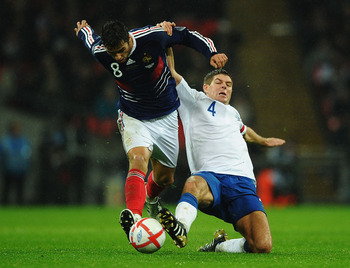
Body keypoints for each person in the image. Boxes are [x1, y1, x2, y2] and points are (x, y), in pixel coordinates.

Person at [74, 20, 228, 241]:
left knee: (165, 178)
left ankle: (151, 200)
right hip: (133, 115)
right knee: (138, 158)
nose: (117, 57)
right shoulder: (101, 50)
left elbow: (186, 35)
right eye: (113, 53)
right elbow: (89, 39)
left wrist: (211, 52)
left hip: (166, 116)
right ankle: (135, 220)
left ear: (129, 39)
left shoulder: (152, 36)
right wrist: (84, 30)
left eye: (121, 51)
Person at [158, 46, 286, 253]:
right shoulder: (194, 101)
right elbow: (171, 73)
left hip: (243, 183)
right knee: (193, 183)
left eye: (229, 84)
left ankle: (220, 245)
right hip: (211, 179)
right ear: (206, 87)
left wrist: (262, 140)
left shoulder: (233, 113)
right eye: (218, 83)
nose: (224, 87)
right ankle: (181, 227)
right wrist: (167, 41)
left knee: (261, 245)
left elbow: (245, 131)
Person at [1, 121, 32, 205]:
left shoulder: (24, 141)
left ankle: (20, 208)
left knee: (20, 192)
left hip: (21, 170)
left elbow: (28, 155)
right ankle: (5, 207)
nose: (16, 131)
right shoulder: (5, 141)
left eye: (18, 129)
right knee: (6, 191)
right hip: (8, 170)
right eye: (15, 129)